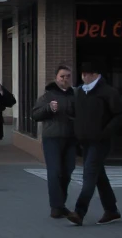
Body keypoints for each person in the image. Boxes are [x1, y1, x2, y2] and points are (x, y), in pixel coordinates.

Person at [66, 61, 122, 226]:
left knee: (89, 175)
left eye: (86, 74)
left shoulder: (108, 92)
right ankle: (111, 210)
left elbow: (120, 115)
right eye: (82, 74)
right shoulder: (80, 92)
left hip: (100, 142)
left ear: (94, 74)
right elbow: (74, 114)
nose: (83, 77)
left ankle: (79, 211)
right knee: (99, 176)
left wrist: (104, 133)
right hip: (85, 141)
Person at [32, 65, 77, 219]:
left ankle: (60, 204)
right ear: (56, 78)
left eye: (68, 76)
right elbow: (35, 114)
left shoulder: (75, 94)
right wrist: (48, 108)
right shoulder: (48, 95)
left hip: (70, 138)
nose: (65, 79)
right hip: (52, 138)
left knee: (67, 172)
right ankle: (56, 207)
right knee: (55, 172)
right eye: (62, 76)